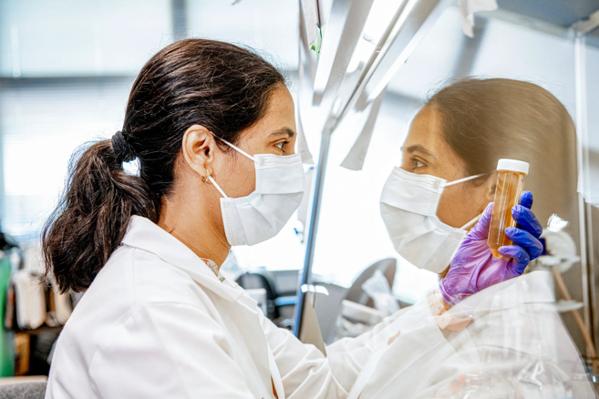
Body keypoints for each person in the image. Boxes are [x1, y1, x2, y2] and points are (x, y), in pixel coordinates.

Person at [42, 40, 542, 398]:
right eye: (280, 145)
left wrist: (449, 299)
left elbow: (324, 383)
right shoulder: (150, 313)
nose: (294, 168)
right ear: (203, 151)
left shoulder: (203, 286)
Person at [357, 78, 595, 398]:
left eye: (418, 162)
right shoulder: (465, 306)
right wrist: (447, 302)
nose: (398, 181)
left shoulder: (505, 359)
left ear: (500, 190)